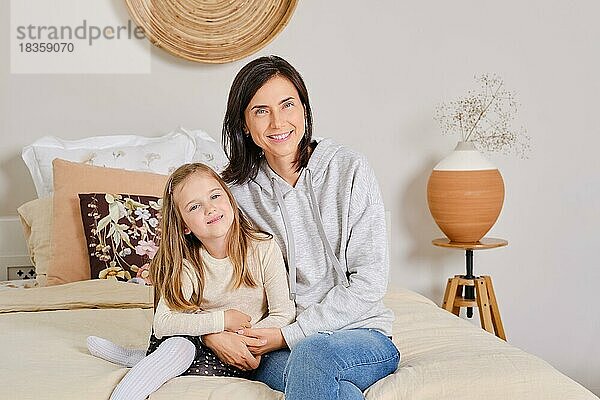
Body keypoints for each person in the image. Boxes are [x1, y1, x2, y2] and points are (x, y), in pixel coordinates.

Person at [201, 55, 400, 399]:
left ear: (304, 111)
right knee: (337, 390)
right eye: (261, 110)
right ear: (244, 125)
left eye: (287, 105)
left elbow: (369, 281)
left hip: (362, 334)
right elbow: (194, 272)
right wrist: (210, 332)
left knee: (313, 356)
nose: (278, 122)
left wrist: (290, 334)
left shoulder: (348, 169)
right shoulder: (233, 194)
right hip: (275, 345)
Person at [87, 162, 295, 400]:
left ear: (230, 200)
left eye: (215, 196)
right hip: (191, 336)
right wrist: (221, 323)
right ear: (184, 226)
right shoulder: (188, 262)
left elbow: (283, 313)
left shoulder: (263, 248)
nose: (210, 208)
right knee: (180, 347)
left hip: (244, 342)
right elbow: (163, 323)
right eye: (195, 206)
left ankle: (142, 358)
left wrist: (238, 338)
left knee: (187, 358)